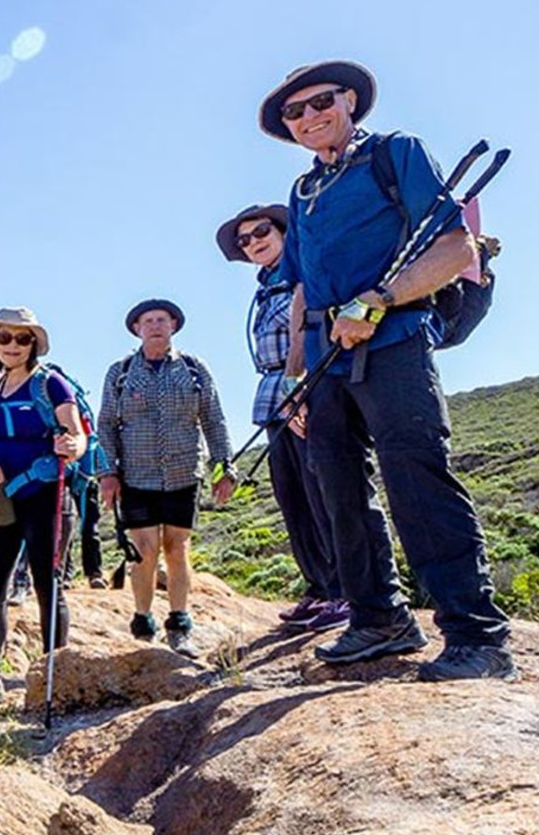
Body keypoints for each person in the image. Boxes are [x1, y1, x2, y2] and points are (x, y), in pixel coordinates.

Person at [262, 59, 515, 680]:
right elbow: (302, 295)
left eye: (320, 102)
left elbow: (455, 249)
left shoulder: (395, 153)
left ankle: (475, 636)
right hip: (324, 359)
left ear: (348, 99)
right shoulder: (303, 192)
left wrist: (380, 300)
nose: (308, 116)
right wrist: (295, 378)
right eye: (294, 112)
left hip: (396, 342)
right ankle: (379, 620)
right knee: (339, 493)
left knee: (417, 479)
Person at [218, 204, 347, 633]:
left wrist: (301, 387)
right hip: (274, 395)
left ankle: (346, 589)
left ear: (282, 231)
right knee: (291, 496)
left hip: (308, 387)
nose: (254, 242)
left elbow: (313, 330)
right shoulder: (264, 286)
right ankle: (319, 586)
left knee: (322, 491)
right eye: (245, 240)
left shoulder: (303, 271)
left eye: (261, 232)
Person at [0, 308, 86, 706]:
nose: (12, 345)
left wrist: (70, 446)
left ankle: (52, 679)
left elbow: (75, 437)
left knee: (48, 584)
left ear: (34, 344)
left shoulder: (52, 385)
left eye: (22, 339)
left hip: (45, 494)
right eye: (4, 338)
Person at [96, 299, 236, 654]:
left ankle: (179, 623)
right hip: (136, 476)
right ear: (137, 329)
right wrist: (107, 474)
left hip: (183, 472)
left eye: (162, 319)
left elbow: (214, 419)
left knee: (176, 547)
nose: (156, 325)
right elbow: (106, 425)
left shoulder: (194, 369)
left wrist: (225, 466)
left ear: (173, 326)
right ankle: (143, 623)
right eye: (148, 320)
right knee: (143, 551)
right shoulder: (121, 371)